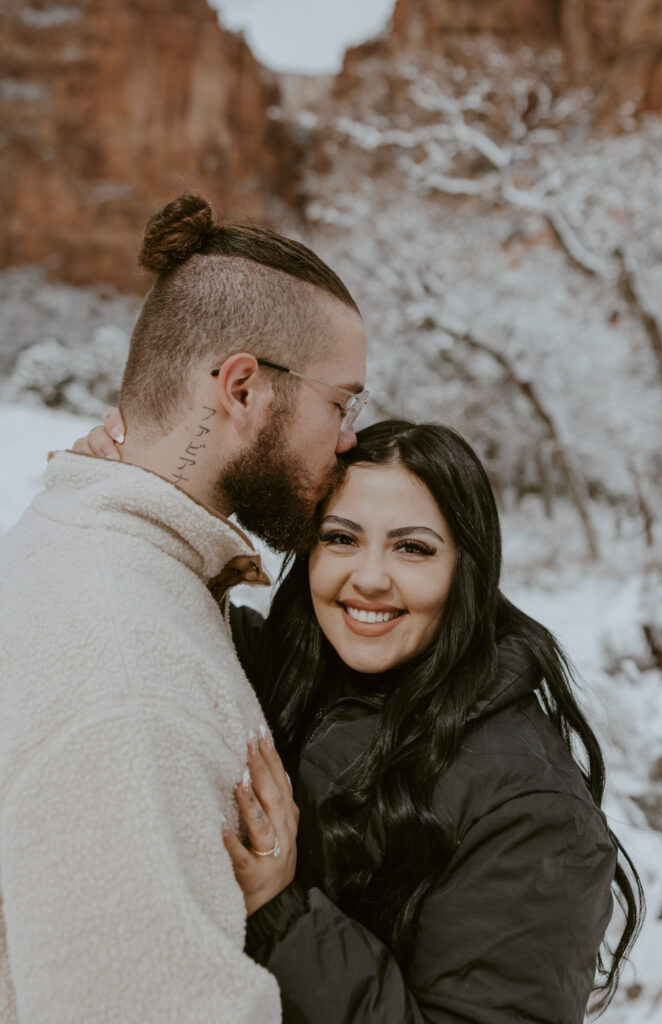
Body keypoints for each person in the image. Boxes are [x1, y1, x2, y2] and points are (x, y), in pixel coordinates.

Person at [0, 193, 368, 1023]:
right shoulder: (128, 669)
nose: (347, 437)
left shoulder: (85, 544)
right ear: (242, 387)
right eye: (342, 403)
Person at [219, 420, 644, 1024]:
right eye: (341, 538)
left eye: (411, 547)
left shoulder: (533, 811)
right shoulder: (296, 671)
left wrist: (281, 914)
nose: (368, 577)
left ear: (465, 569)